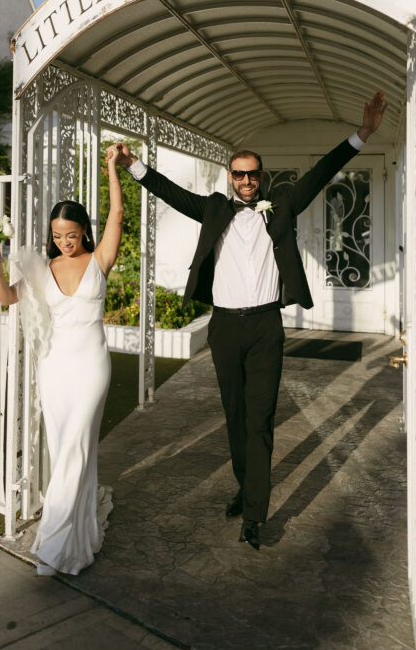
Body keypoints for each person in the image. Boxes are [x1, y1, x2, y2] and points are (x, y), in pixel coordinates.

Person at [113, 92, 387, 551]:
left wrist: (364, 134)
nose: (245, 181)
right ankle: (246, 487)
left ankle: (255, 515)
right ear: (230, 177)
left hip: (264, 328)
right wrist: (132, 165)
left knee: (259, 420)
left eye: (251, 174)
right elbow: (172, 193)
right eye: (238, 174)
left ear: (261, 177)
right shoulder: (215, 208)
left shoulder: (280, 206)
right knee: (235, 416)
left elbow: (320, 173)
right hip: (224, 328)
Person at [0, 146, 124, 575]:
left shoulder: (99, 259)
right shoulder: (42, 269)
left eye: (72, 234)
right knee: (65, 448)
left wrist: (112, 169)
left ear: (84, 231)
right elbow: (8, 298)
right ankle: (77, 537)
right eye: (58, 235)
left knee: (77, 449)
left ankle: (53, 541)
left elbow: (118, 215)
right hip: (56, 368)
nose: (65, 242)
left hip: (91, 367)